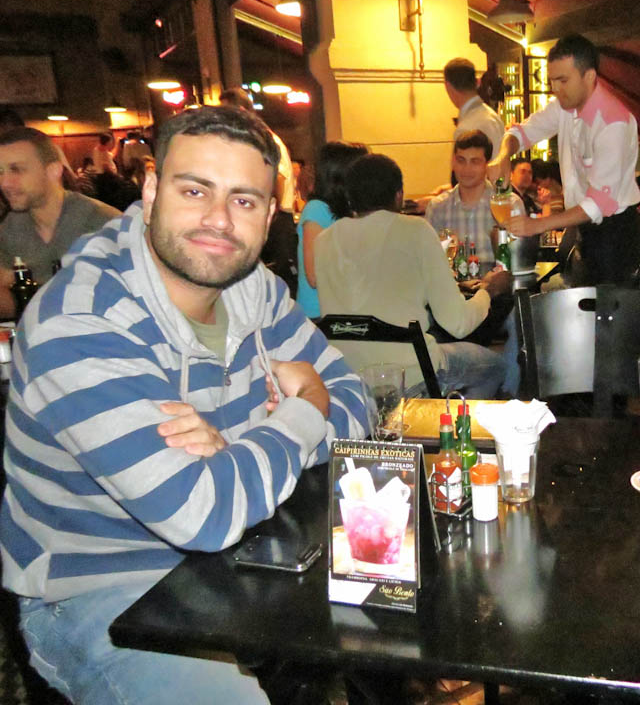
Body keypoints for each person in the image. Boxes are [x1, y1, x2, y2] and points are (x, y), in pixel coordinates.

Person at [0, 106, 371, 704]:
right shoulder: (81, 321)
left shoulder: (253, 288)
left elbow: (356, 403)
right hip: (103, 590)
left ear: (269, 215)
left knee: (389, 610)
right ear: (150, 191)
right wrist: (302, 411)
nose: (218, 219)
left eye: (244, 200)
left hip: (247, 551)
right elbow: (201, 512)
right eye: (195, 190)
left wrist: (236, 454)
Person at [315, 153, 510, 398]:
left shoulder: (323, 241)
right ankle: (450, 422)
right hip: (411, 375)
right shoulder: (415, 230)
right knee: (496, 366)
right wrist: (488, 290)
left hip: (349, 378)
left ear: (349, 198)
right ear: (399, 195)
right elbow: (458, 323)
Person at [490, 33, 640, 285]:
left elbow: (598, 204)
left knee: (610, 310)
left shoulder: (612, 122)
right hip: (584, 229)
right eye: (552, 81)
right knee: (579, 303)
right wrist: (504, 155)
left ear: (589, 76)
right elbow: (521, 133)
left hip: (616, 235)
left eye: (563, 80)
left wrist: (538, 225)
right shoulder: (563, 106)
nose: (556, 89)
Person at [0, 127, 120, 318]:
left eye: (17, 170)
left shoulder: (103, 223)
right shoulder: (11, 227)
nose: (5, 182)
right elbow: (9, 298)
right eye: (0, 171)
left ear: (54, 171)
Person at [296, 141, 369, 318]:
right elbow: (314, 276)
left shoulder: (351, 210)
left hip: (346, 309)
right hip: (320, 314)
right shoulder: (316, 209)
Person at [426, 130, 500, 265]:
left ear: (487, 164)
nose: (466, 169)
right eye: (461, 161)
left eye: (475, 162)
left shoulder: (505, 204)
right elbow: (430, 260)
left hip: (497, 277)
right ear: (453, 162)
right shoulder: (438, 207)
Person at [220, 86, 297, 215]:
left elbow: (279, 178)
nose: (222, 117)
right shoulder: (252, 137)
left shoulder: (262, 138)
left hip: (277, 214)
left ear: (241, 111)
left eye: (226, 112)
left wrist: (270, 213)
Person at [444, 57, 505, 160]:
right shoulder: (493, 116)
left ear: (448, 86)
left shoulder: (466, 129)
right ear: (478, 82)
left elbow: (466, 170)